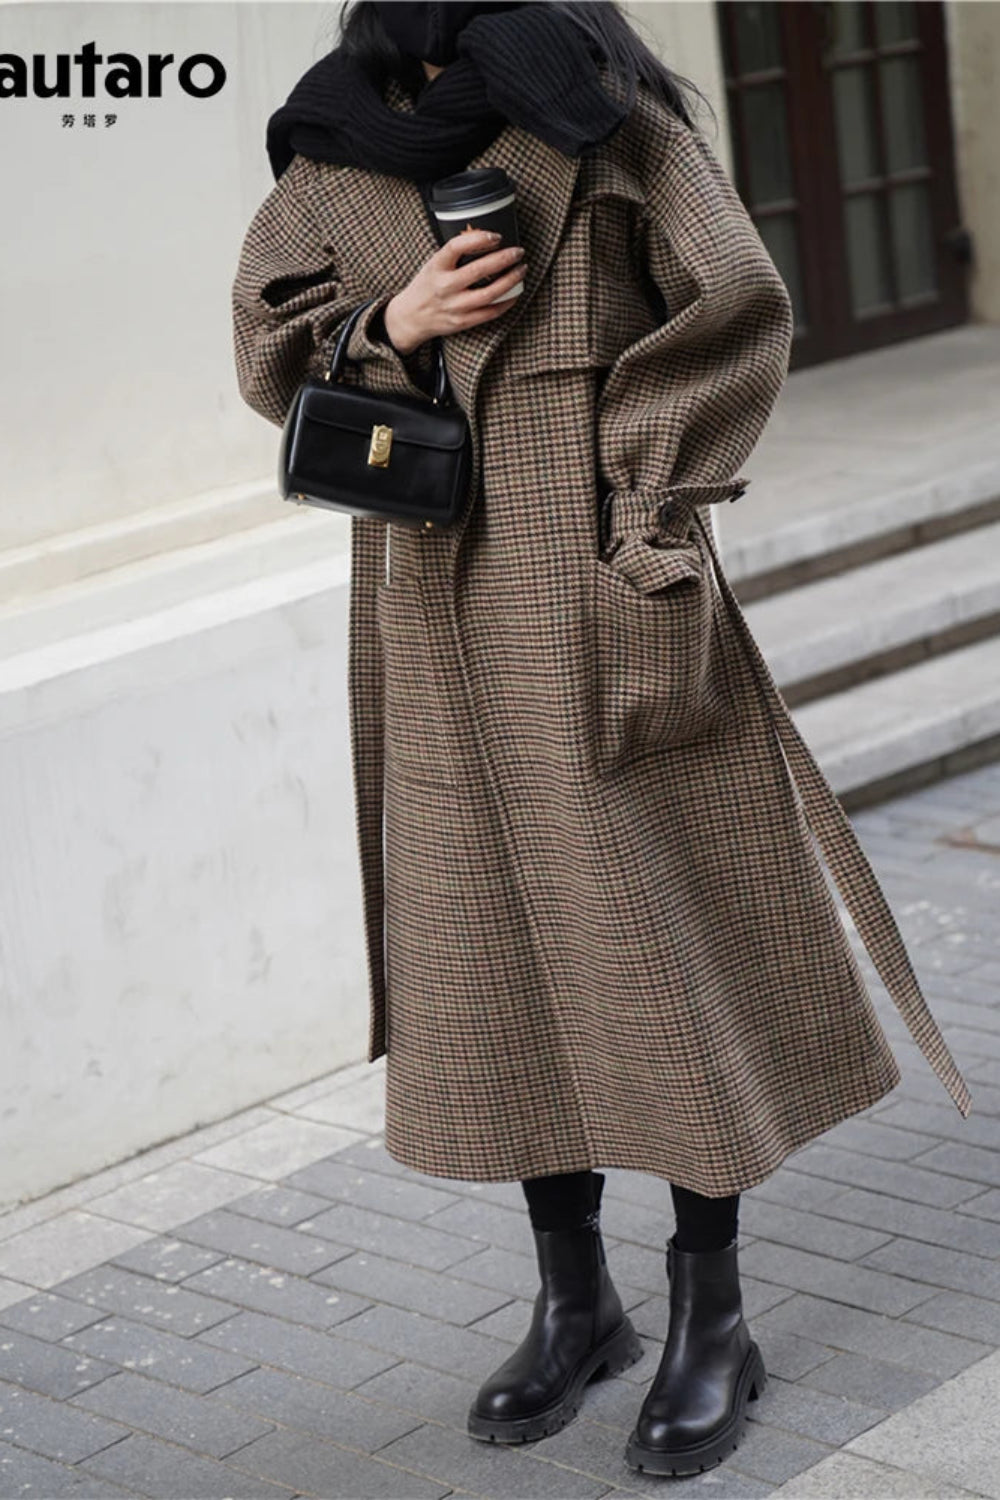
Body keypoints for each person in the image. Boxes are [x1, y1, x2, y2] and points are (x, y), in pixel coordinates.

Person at [231, 0, 971, 1478]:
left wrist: (645, 510)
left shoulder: (606, 121)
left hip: (605, 570)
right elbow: (269, 348)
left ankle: (717, 1321)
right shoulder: (333, 141)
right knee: (493, 954)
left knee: (659, 942)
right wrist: (395, 327)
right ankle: (578, 1308)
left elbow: (740, 303)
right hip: (430, 598)